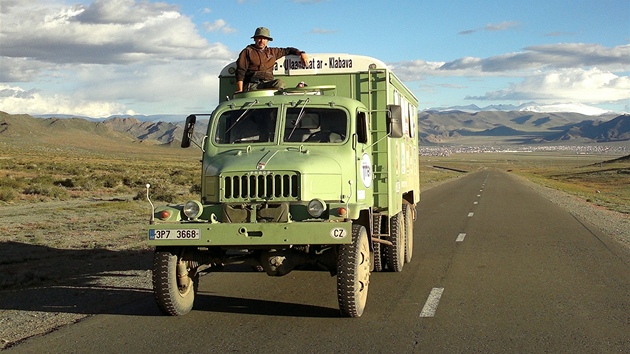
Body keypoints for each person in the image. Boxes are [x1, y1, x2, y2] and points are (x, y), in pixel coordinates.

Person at [235, 27, 309, 93]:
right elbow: (240, 71)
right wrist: (240, 90)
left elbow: (289, 50)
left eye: (264, 38)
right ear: (255, 39)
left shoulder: (273, 52)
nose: (261, 41)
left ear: (268, 40)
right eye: (259, 38)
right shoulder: (247, 51)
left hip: (268, 83)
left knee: (279, 83)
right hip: (253, 85)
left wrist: (302, 53)